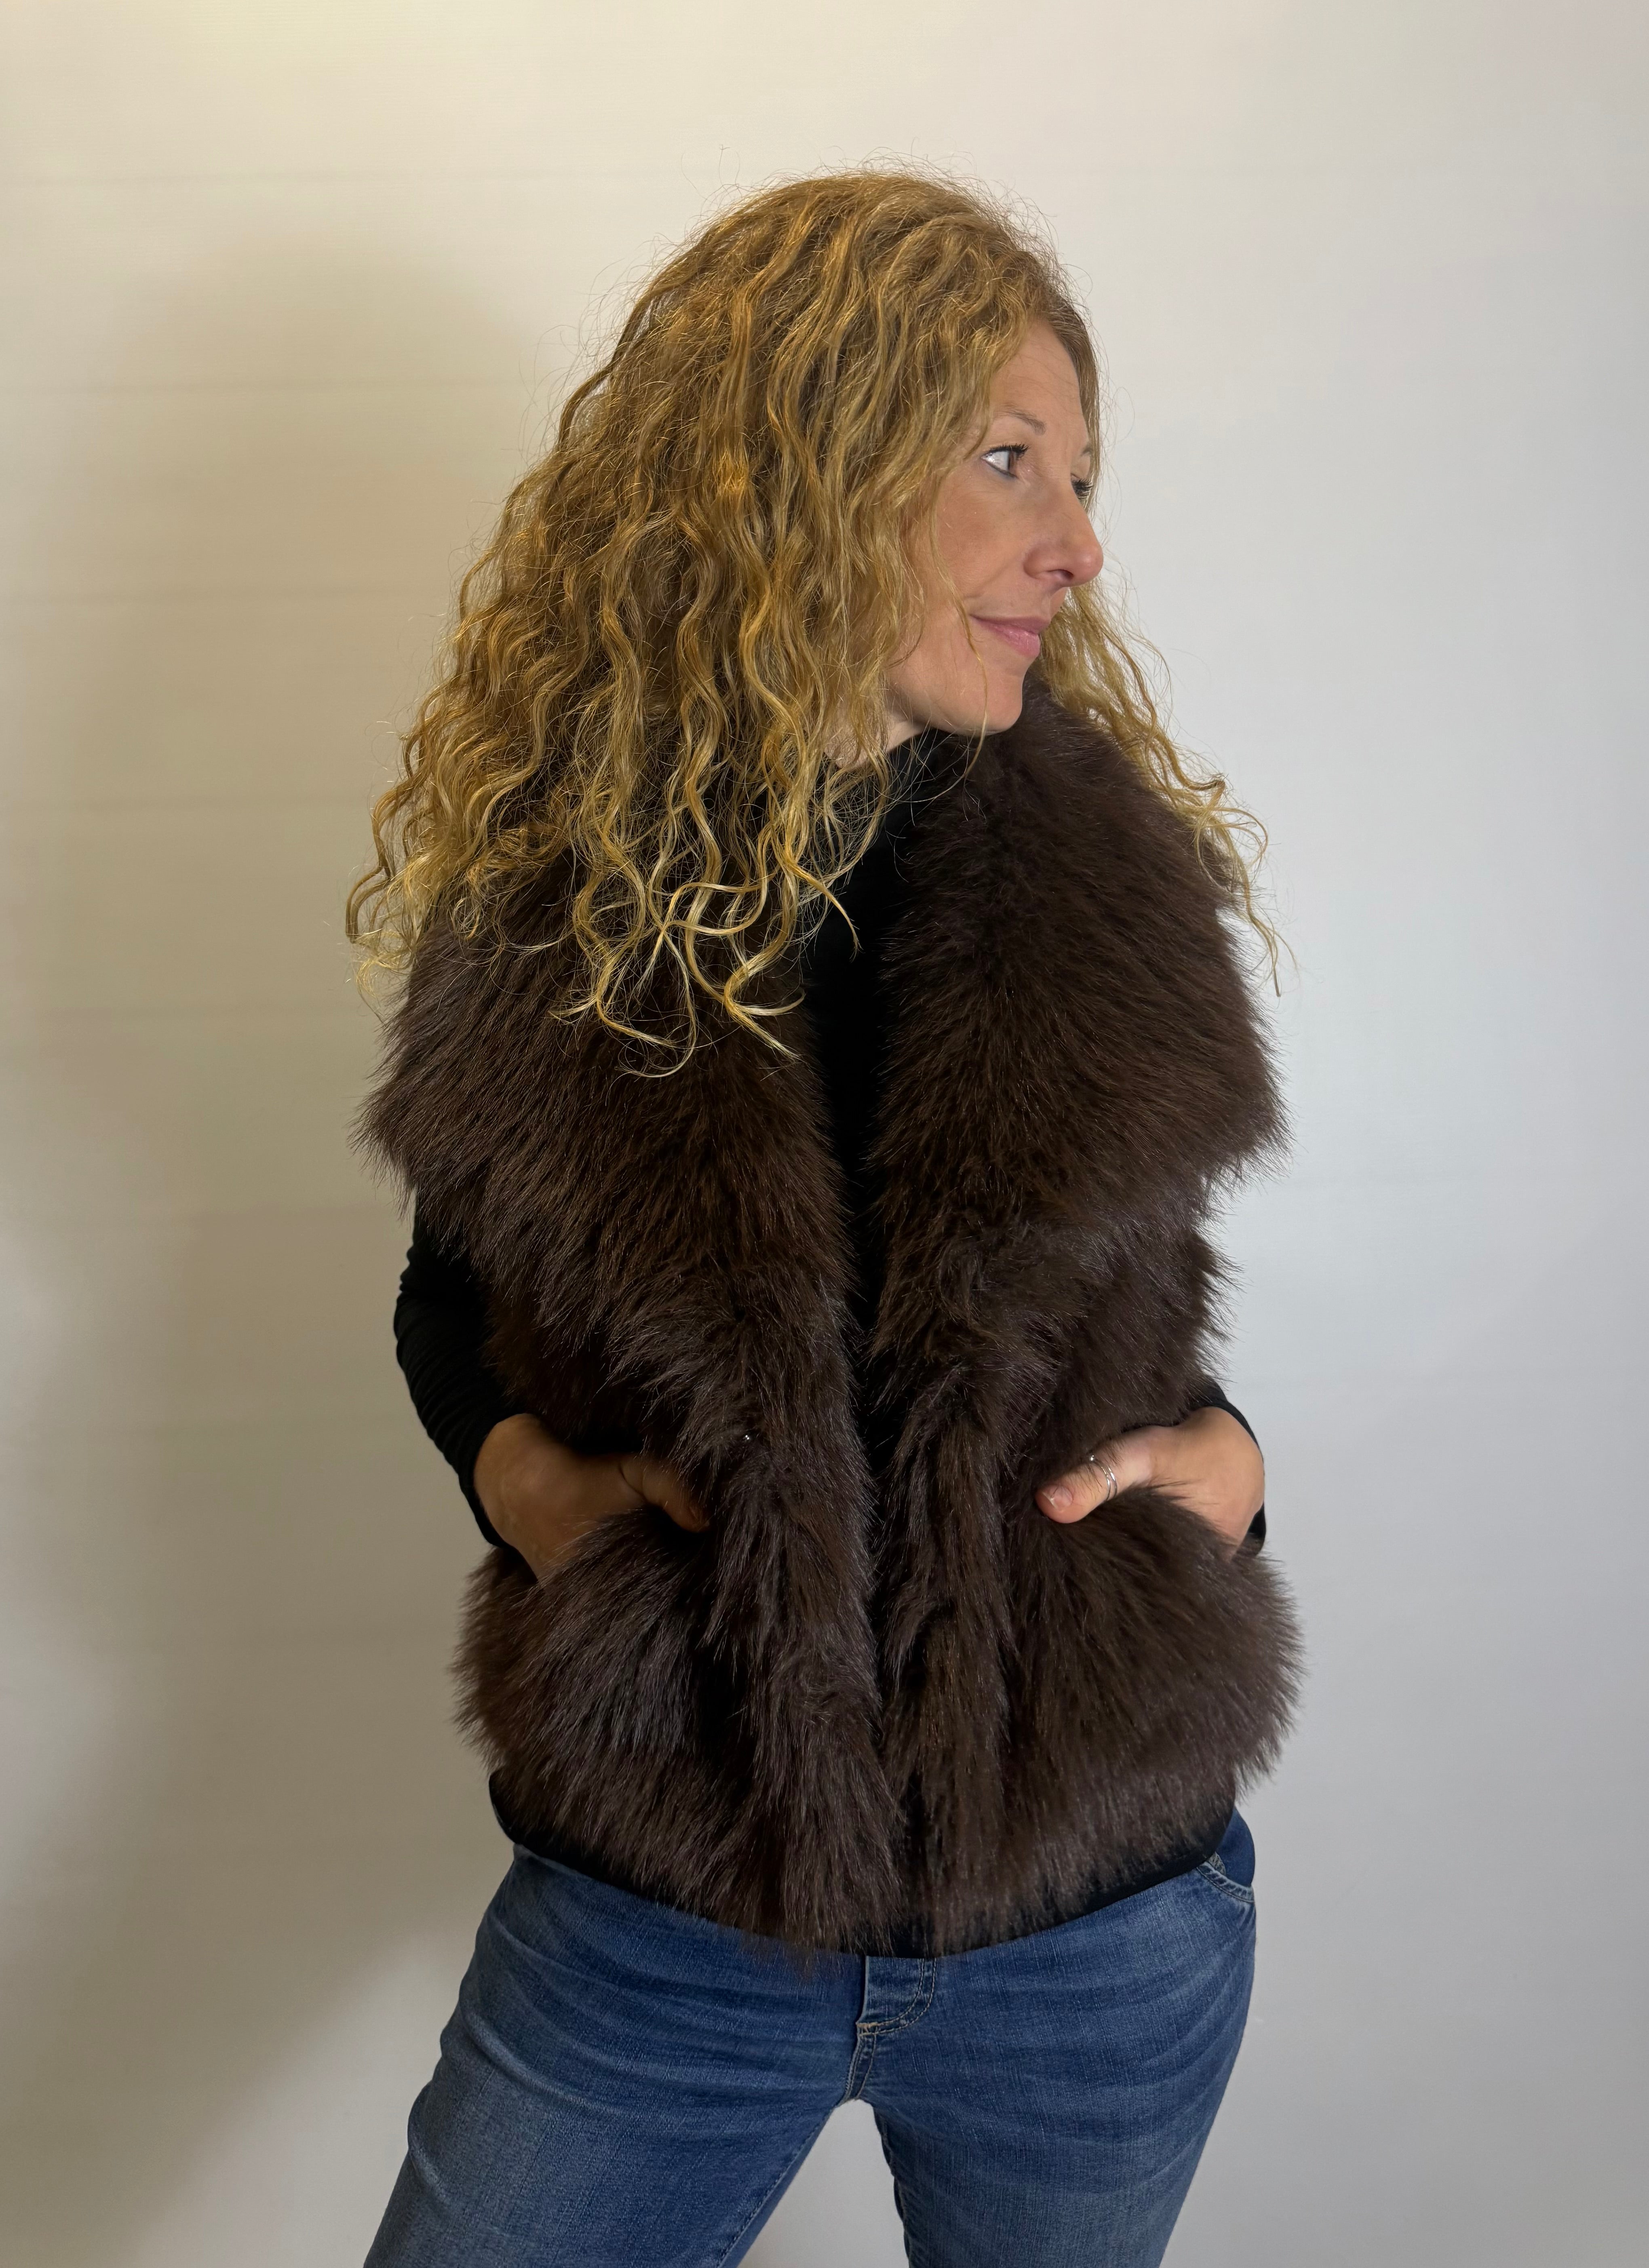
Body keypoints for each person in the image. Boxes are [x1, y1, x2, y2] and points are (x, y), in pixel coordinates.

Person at [350, 169, 1301, 2268]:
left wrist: (1234, 1469)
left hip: (1097, 1922)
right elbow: (452, 1297)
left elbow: (1128, 1319)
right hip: (666, 1917)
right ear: (806, 468)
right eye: (1007, 460)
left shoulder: (1111, 901)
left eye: (1081, 476)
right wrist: (522, 1484)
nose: (1078, 542)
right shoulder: (572, 917)